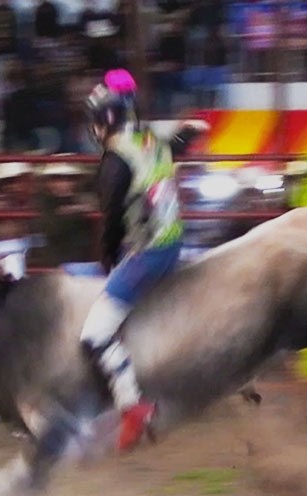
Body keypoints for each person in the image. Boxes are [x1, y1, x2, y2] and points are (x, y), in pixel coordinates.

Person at [78, 68, 207, 452]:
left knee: (94, 335)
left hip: (147, 253)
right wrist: (189, 132)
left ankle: (131, 406)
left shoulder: (114, 161)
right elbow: (174, 147)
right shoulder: (149, 139)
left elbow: (112, 221)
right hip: (171, 242)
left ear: (105, 119)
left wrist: (108, 259)